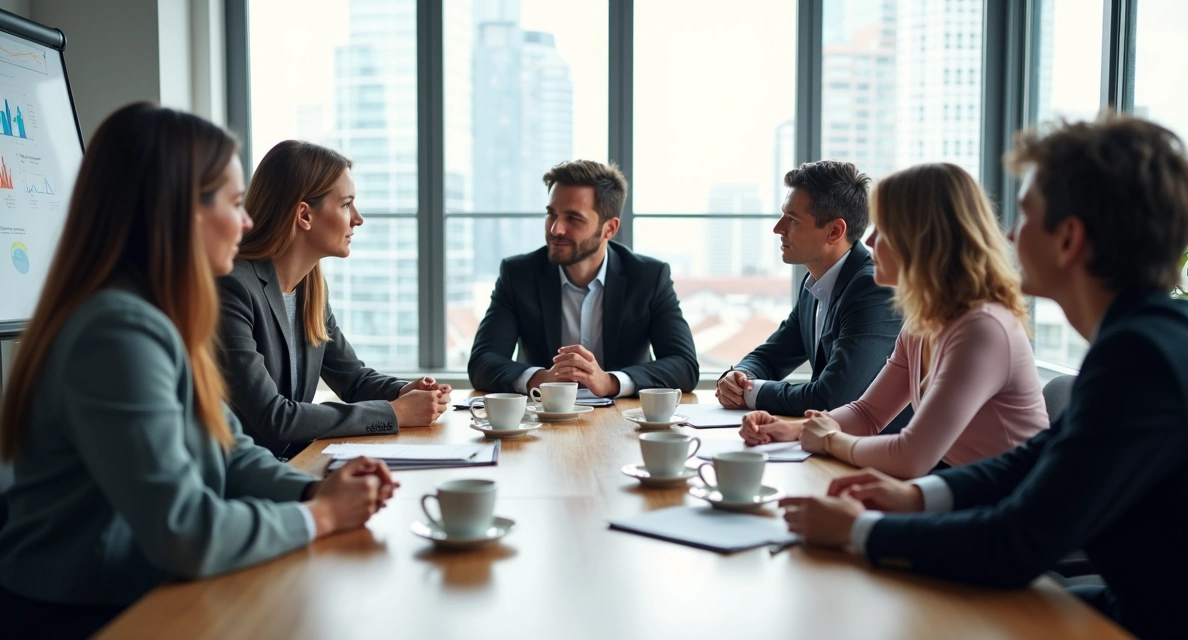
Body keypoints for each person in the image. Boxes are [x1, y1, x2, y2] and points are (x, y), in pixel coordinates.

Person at [779, 115, 1188, 640]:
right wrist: (918, 498)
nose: (1008, 234)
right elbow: (1034, 458)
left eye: (1026, 215)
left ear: (1069, 239)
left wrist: (862, 531)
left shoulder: (1141, 359)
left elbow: (1017, 543)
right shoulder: (1152, 337)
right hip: (1148, 606)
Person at [0, 103, 394, 638]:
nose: (249, 222)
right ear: (179, 212)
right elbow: (182, 529)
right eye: (235, 203)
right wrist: (321, 517)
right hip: (87, 614)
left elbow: (227, 448)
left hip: (137, 591)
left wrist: (311, 494)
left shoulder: (160, 314)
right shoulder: (116, 331)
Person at [741, 163, 1047, 478]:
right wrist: (797, 430)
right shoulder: (921, 320)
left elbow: (910, 456)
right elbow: (867, 413)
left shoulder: (983, 328)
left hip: (1007, 503)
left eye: (883, 230)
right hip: (959, 487)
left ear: (924, 240)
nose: (869, 242)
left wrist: (829, 441)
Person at [217, 141, 450, 459]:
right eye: (346, 205)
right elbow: (273, 417)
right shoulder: (233, 288)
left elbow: (352, 379)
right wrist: (394, 413)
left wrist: (407, 391)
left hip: (294, 467)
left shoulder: (310, 288)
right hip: (243, 486)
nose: (358, 218)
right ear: (304, 215)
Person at [467, 160, 698, 396]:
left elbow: (684, 366)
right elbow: (482, 362)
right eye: (552, 214)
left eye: (573, 218)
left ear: (609, 228)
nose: (556, 229)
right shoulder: (518, 274)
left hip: (623, 421)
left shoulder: (648, 277)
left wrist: (611, 382)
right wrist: (541, 378)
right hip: (542, 418)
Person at [715, 161, 909, 429]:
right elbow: (772, 356)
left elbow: (833, 397)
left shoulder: (873, 289)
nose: (778, 228)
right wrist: (740, 375)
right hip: (832, 445)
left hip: (883, 456)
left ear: (834, 231)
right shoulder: (814, 284)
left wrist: (749, 392)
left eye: (792, 219)